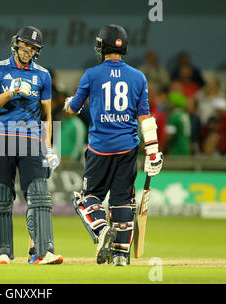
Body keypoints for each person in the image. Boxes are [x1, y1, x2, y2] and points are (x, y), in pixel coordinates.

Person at [63, 24, 163, 266]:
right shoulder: (138, 77)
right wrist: (153, 152)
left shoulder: (91, 75)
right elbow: (145, 118)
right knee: (122, 202)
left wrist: (68, 103)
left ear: (101, 47)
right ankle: (120, 255)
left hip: (100, 148)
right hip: (128, 148)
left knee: (87, 199)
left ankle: (101, 231)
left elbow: (72, 109)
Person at [0, 26, 63, 265]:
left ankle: (42, 252)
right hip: (1, 138)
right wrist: (11, 92)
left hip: (31, 140)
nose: (28, 50)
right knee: (0, 196)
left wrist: (48, 148)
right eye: (25, 45)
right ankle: (2, 253)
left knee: (39, 195)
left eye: (33, 48)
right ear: (16, 44)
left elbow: (47, 115)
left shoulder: (43, 75)